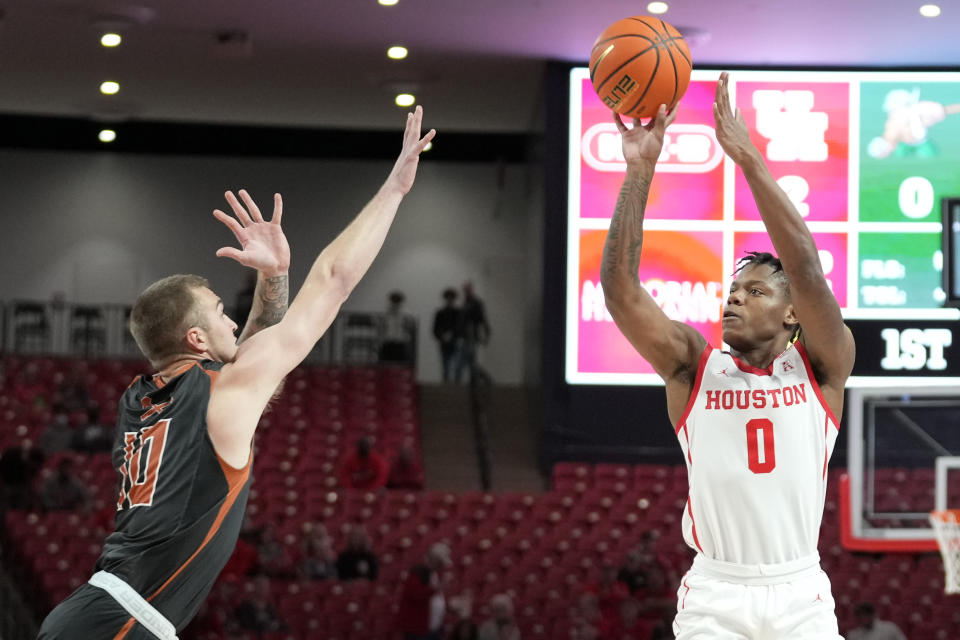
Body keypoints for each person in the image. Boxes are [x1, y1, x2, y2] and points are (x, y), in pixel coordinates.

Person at [37, 106, 435, 639]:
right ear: (196, 340)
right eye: (220, 310)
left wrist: (273, 279)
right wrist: (395, 189)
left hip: (100, 612)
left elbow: (242, 360)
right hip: (121, 623)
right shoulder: (218, 394)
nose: (231, 317)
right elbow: (334, 280)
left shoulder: (140, 397)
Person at [600, 73, 854, 639]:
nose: (735, 296)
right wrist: (639, 170)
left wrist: (748, 160)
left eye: (757, 290)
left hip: (800, 592)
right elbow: (621, 292)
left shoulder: (822, 367)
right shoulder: (694, 365)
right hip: (717, 591)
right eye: (733, 290)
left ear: (792, 315)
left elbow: (807, 270)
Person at [397, 542, 452, 640]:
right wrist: (437, 589)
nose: (441, 567)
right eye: (440, 563)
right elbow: (417, 594)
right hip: (419, 631)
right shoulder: (417, 574)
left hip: (433, 630)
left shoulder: (434, 575)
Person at [454, 282, 490, 383]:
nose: (465, 291)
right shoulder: (465, 303)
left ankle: (461, 383)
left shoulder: (476, 303)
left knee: (462, 363)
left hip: (471, 336)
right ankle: (484, 379)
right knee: (470, 362)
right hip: (465, 336)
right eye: (464, 289)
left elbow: (482, 319)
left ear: (471, 290)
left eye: (467, 289)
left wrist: (486, 334)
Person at [380, 290, 416, 364]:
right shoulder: (385, 314)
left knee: (399, 365)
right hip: (388, 341)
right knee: (385, 364)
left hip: (400, 342)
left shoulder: (407, 315)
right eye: (394, 301)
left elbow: (410, 328)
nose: (395, 303)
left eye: (397, 301)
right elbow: (382, 328)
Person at [433, 287, 460, 382]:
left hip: (456, 342)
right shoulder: (440, 313)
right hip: (444, 343)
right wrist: (442, 336)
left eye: (451, 298)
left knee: (457, 367)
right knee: (445, 367)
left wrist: (452, 335)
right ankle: (446, 387)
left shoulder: (458, 312)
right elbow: (435, 328)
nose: (449, 300)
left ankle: (457, 388)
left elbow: (460, 328)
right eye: (448, 298)